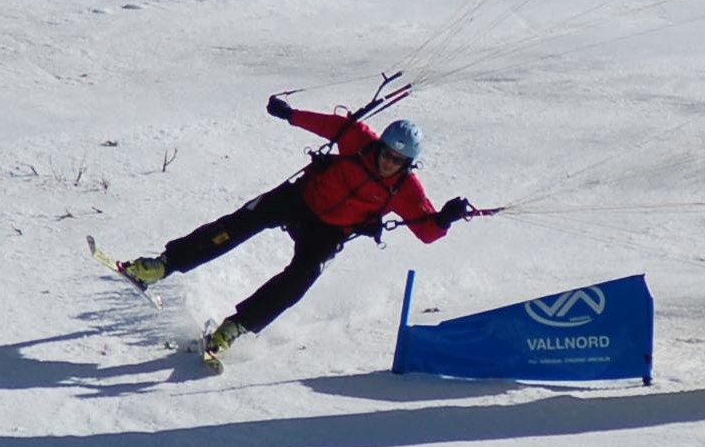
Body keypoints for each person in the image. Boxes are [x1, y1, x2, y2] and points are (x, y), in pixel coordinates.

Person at [118, 96, 470, 354]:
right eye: (386, 153)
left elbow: (427, 232)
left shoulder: (406, 190)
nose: (388, 163)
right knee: (234, 227)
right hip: (299, 199)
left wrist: (444, 219)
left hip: (330, 231)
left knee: (300, 279)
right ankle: (160, 266)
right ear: (379, 145)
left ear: (408, 163)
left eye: (397, 159)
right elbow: (329, 125)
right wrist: (290, 115)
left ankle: (235, 327)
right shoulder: (359, 140)